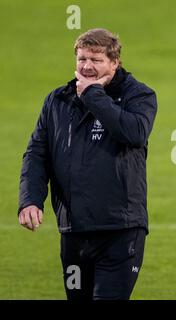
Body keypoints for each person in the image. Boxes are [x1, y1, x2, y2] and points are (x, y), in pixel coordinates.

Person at [18, 28, 157, 300]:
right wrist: (31, 199)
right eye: (82, 59)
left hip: (121, 230)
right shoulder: (58, 101)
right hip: (74, 231)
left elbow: (134, 133)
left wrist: (93, 95)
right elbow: (37, 153)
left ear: (115, 63)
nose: (87, 66)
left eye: (96, 60)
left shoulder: (138, 96)